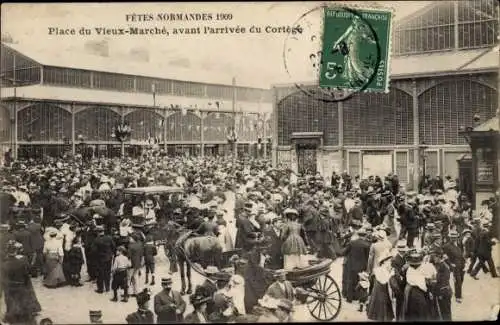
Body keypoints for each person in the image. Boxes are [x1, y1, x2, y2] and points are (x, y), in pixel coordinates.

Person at [1, 240, 42, 324]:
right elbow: (27, 272)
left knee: (10, 301)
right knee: (23, 298)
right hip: (21, 283)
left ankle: (11, 315)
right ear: (16, 251)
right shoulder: (22, 261)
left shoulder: (4, 264)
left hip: (9, 286)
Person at [366, 254, 394, 321]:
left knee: (383, 309)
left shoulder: (384, 269)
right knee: (381, 309)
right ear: (384, 261)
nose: (390, 262)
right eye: (389, 261)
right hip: (380, 292)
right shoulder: (380, 270)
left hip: (383, 291)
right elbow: (383, 281)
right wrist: (391, 274)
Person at [442, 230, 466, 303]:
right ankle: (458, 296)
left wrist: (465, 262)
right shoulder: (446, 246)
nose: (454, 239)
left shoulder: (459, 244)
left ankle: (458, 292)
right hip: (455, 266)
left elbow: (461, 253)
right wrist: (450, 264)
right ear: (450, 238)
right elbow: (445, 257)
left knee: (461, 279)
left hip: (462, 264)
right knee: (458, 280)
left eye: (455, 237)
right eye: (452, 237)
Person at [92, 225, 115, 293]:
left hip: (100, 259)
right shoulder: (109, 238)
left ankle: (100, 289)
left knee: (100, 274)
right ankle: (107, 287)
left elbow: (93, 251)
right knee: (107, 273)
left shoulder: (96, 240)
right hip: (108, 258)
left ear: (97, 232)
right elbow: (113, 246)